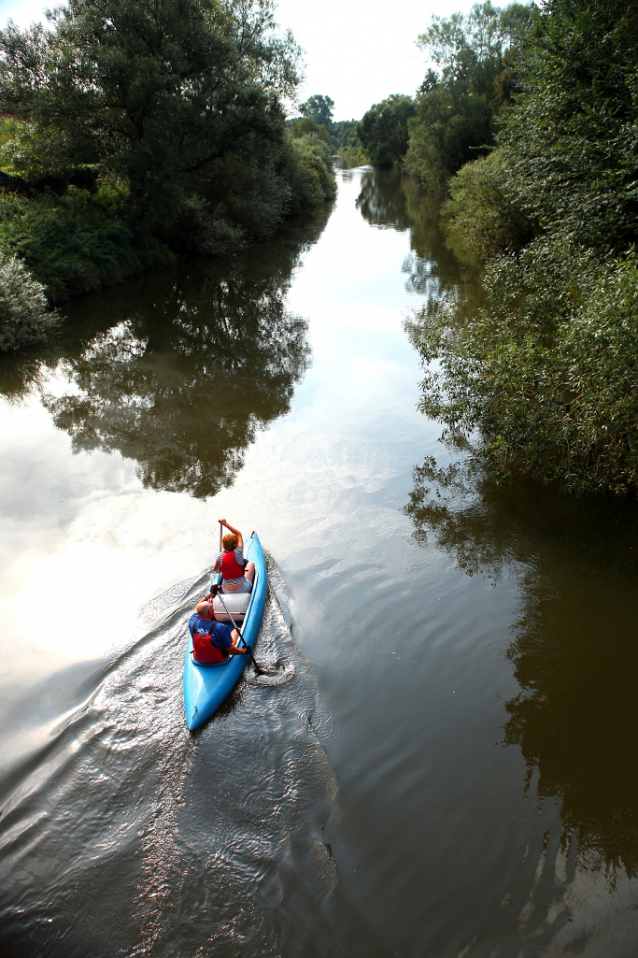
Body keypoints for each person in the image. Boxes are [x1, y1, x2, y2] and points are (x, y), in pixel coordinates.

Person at [189, 599, 248, 665]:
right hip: (219, 659)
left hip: (198, 658)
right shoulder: (221, 627)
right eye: (212, 608)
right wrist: (244, 651)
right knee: (235, 631)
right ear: (210, 611)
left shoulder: (192, 621)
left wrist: (208, 596)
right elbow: (231, 650)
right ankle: (242, 628)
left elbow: (196, 610)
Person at [213, 518, 255, 594]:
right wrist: (225, 524)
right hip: (242, 589)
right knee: (251, 563)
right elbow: (238, 534)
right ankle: (253, 588)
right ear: (235, 544)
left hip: (226, 590)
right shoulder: (238, 551)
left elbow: (215, 569)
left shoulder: (220, 556)